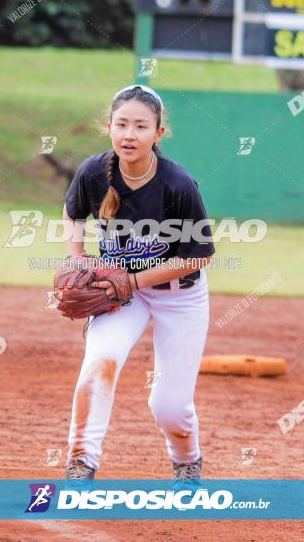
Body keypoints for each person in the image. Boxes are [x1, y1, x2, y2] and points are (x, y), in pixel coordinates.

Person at [61, 85, 215, 482]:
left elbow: (199, 254)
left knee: (169, 406)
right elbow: (71, 214)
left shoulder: (177, 184)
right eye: (122, 124)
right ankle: (81, 463)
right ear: (108, 126)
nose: (130, 134)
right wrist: (78, 260)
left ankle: (186, 462)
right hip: (118, 294)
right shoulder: (94, 172)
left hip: (178, 296)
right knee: (99, 363)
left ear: (158, 134)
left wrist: (132, 279)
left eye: (141, 126)